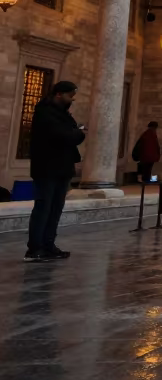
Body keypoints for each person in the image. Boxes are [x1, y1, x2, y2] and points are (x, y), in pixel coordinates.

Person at [26, 80, 85, 263]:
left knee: (55, 209)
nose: (72, 100)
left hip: (62, 168)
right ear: (59, 94)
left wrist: (75, 132)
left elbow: (70, 133)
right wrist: (79, 133)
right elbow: (64, 135)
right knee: (44, 207)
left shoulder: (62, 114)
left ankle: (48, 245)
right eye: (69, 96)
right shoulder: (44, 112)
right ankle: (35, 248)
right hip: (47, 168)